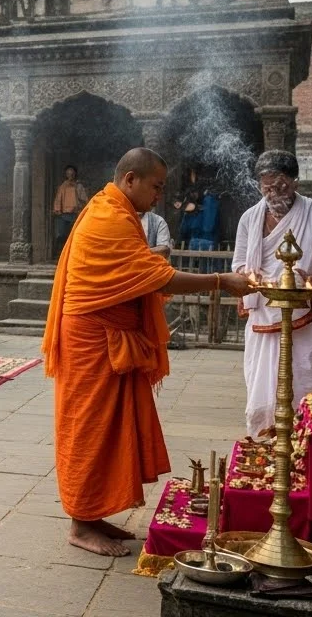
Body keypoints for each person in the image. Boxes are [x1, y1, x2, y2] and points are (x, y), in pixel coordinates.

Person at [44, 147, 255, 557]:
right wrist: (220, 280)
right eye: (156, 186)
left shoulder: (117, 212)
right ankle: (79, 524)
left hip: (107, 335)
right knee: (90, 429)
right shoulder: (108, 215)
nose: (160, 195)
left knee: (111, 431)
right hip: (93, 339)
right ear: (130, 180)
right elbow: (154, 277)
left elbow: (135, 268)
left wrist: (150, 263)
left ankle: (93, 514)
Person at [233, 150, 312, 438]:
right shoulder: (250, 219)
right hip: (264, 313)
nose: (274, 193)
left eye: (281, 186)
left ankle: (305, 440)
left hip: (306, 314)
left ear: (295, 183)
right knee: (263, 384)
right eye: (267, 187)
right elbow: (239, 263)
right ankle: (265, 441)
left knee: (305, 381)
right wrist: (252, 275)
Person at [52, 164, 90, 255]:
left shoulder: (78, 186)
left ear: (75, 174)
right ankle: (63, 254)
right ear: (66, 175)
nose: (70, 176)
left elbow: (85, 199)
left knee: (75, 235)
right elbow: (58, 198)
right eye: (68, 174)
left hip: (75, 214)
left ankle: (74, 254)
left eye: (72, 174)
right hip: (64, 215)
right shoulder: (63, 186)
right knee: (62, 235)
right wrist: (57, 209)